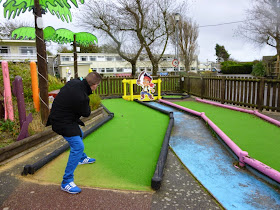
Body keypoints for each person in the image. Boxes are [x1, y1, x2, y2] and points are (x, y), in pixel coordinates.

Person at [46, 72, 102, 194]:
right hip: (61, 122)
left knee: (79, 134)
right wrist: (86, 101)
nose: (96, 88)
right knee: (78, 146)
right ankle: (66, 182)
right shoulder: (82, 96)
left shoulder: (74, 82)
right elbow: (86, 113)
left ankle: (81, 158)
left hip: (61, 116)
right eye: (97, 85)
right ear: (94, 85)